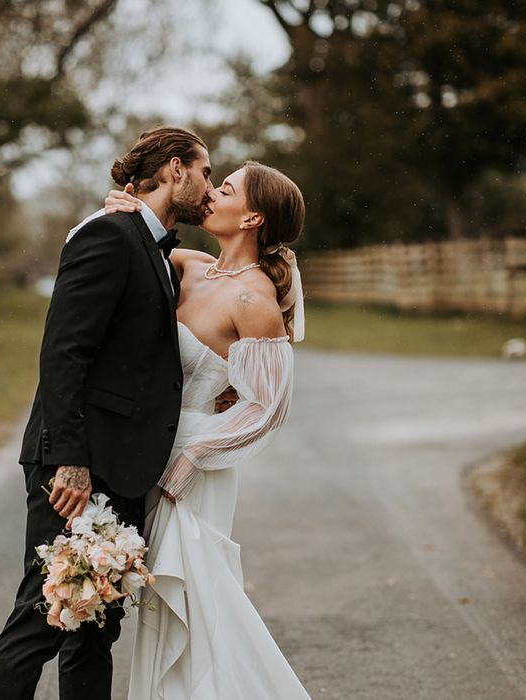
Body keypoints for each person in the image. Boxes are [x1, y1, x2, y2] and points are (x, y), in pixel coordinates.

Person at [0, 126, 216, 700]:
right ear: (176, 169)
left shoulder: (154, 246)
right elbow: (64, 352)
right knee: (41, 617)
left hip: (125, 468)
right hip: (77, 469)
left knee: (94, 629)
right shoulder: (110, 235)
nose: (210, 186)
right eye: (207, 172)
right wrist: (70, 460)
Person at [103, 160, 312, 699]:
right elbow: (121, 247)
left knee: (199, 606)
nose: (211, 194)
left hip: (197, 468)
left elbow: (267, 407)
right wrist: (122, 210)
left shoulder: (254, 301)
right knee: (161, 612)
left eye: (225, 189)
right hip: (153, 451)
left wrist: (195, 455)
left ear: (252, 218)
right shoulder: (189, 264)